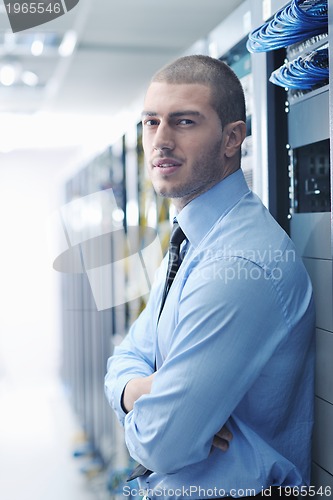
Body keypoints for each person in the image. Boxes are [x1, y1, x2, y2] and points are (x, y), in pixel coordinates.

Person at [104, 55, 315, 499]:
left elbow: (160, 444)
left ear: (232, 138)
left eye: (183, 122)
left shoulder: (239, 263)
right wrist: (139, 389)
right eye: (150, 122)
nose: (160, 141)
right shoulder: (192, 241)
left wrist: (151, 402)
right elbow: (126, 357)